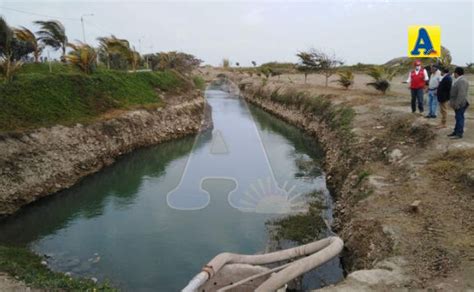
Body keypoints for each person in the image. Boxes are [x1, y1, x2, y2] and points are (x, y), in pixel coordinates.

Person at [448, 67, 470, 139]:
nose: (453, 74)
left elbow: (461, 94)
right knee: (458, 117)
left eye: (454, 73)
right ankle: (456, 131)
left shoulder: (462, 81)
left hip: (461, 103)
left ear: (456, 73)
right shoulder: (459, 80)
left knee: (460, 118)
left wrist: (457, 104)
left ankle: (459, 133)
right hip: (458, 103)